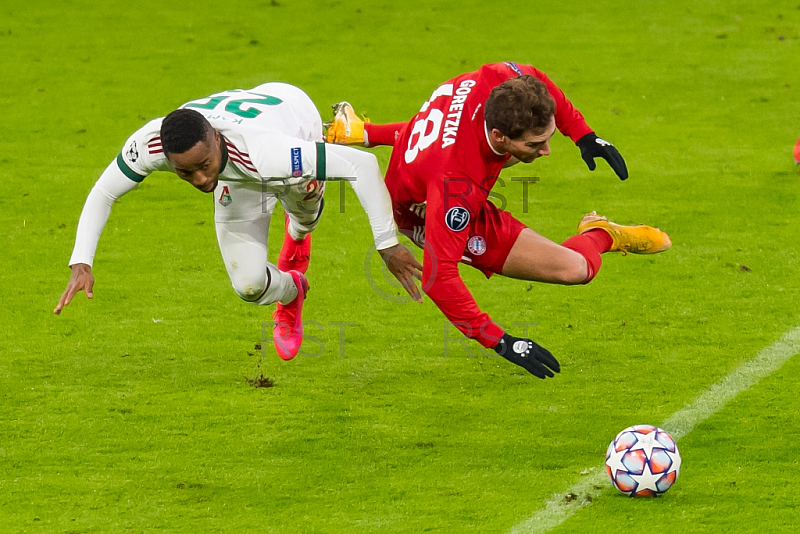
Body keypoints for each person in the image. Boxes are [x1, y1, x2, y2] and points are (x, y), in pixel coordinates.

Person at [325, 62, 671, 379]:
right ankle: (601, 233)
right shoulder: (456, 188)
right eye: (537, 142)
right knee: (575, 269)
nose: (548, 150)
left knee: (468, 141)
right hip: (418, 207)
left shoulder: (497, 81)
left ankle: (363, 132)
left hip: (431, 158)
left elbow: (537, 78)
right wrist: (501, 341)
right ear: (498, 136)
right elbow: (437, 275)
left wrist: (582, 134)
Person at [54, 82, 421, 360]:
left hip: (293, 124)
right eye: (187, 173)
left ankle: (297, 240)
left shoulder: (269, 152)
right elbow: (104, 192)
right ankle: (293, 290)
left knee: (305, 215)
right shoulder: (152, 143)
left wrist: (387, 244)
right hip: (239, 170)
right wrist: (81, 260)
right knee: (248, 286)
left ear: (215, 138)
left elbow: (362, 165)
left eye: (204, 166)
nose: (200, 180)